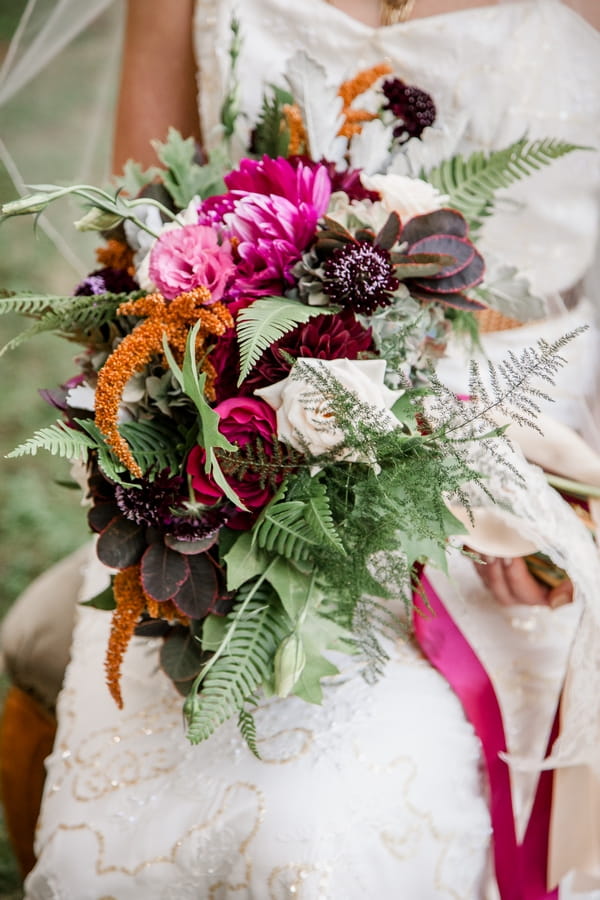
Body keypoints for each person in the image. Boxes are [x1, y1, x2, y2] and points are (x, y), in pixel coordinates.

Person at [2, 0, 600, 896]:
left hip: (514, 457)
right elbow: (136, 245)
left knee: (310, 837)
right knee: (130, 831)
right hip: (233, 449)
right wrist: (194, 425)